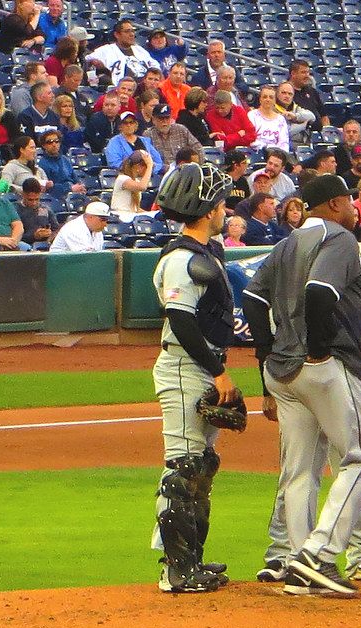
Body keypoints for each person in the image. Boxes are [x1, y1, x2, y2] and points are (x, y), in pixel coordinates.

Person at [240, 174, 361, 596]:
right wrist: (319, 349)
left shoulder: (286, 243)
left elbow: (253, 298)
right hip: (323, 366)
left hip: (283, 373)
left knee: (300, 470)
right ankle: (318, 554)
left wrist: (267, 354)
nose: (355, 207)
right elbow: (320, 292)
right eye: (350, 200)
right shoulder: (339, 238)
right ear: (337, 203)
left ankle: (298, 568)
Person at [150, 162, 238, 593]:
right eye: (220, 203)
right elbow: (181, 321)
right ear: (206, 211)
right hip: (185, 366)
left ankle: (192, 559)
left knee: (201, 466)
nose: (224, 209)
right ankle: (176, 569)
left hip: (200, 365)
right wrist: (219, 372)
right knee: (183, 468)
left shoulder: (204, 254)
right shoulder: (183, 259)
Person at [89, 19, 160, 82]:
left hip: (146, 87)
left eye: (133, 31)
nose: (132, 34)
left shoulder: (139, 49)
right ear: (117, 35)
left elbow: (156, 67)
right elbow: (87, 60)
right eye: (127, 31)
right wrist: (99, 66)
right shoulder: (106, 50)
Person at [38, 129, 85, 197]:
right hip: (59, 198)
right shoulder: (42, 165)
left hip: (74, 194)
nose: (54, 144)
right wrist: (70, 189)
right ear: (44, 145)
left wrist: (80, 187)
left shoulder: (65, 159)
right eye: (49, 142)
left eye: (56, 141)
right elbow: (49, 188)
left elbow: (75, 179)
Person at [110, 150, 154, 221]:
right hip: (121, 217)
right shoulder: (122, 179)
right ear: (138, 166)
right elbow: (142, 187)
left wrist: (152, 214)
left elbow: (136, 209)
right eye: (145, 166)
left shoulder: (136, 181)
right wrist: (149, 166)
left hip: (131, 216)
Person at [16, 177, 59, 247]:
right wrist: (33, 236)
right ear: (23, 194)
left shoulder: (45, 209)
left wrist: (51, 236)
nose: (34, 203)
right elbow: (12, 236)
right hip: (23, 247)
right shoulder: (14, 210)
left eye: (37, 199)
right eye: (30, 200)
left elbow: (56, 229)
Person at [273, 81, 316, 147]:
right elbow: (284, 132)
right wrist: (303, 125)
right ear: (277, 94)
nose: (287, 96)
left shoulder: (296, 108)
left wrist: (295, 117)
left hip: (302, 146)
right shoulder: (271, 110)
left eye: (290, 94)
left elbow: (312, 117)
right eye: (283, 93)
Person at [288, 59, 328, 128]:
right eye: (303, 72)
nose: (307, 76)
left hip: (319, 135)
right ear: (293, 74)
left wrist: (327, 132)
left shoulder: (312, 91)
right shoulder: (285, 92)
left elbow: (324, 116)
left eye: (308, 72)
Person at [249, 85, 290, 152]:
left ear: (275, 101)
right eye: (265, 97)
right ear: (260, 99)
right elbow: (251, 140)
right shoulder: (252, 115)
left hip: (277, 155)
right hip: (257, 153)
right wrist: (268, 148)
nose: (268, 99)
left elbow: (284, 143)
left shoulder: (280, 119)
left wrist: (278, 153)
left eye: (271, 97)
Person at [222, 149, 250, 213]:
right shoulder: (221, 181)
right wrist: (231, 212)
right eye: (244, 163)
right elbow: (216, 206)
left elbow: (247, 202)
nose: (246, 165)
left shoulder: (243, 181)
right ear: (236, 166)